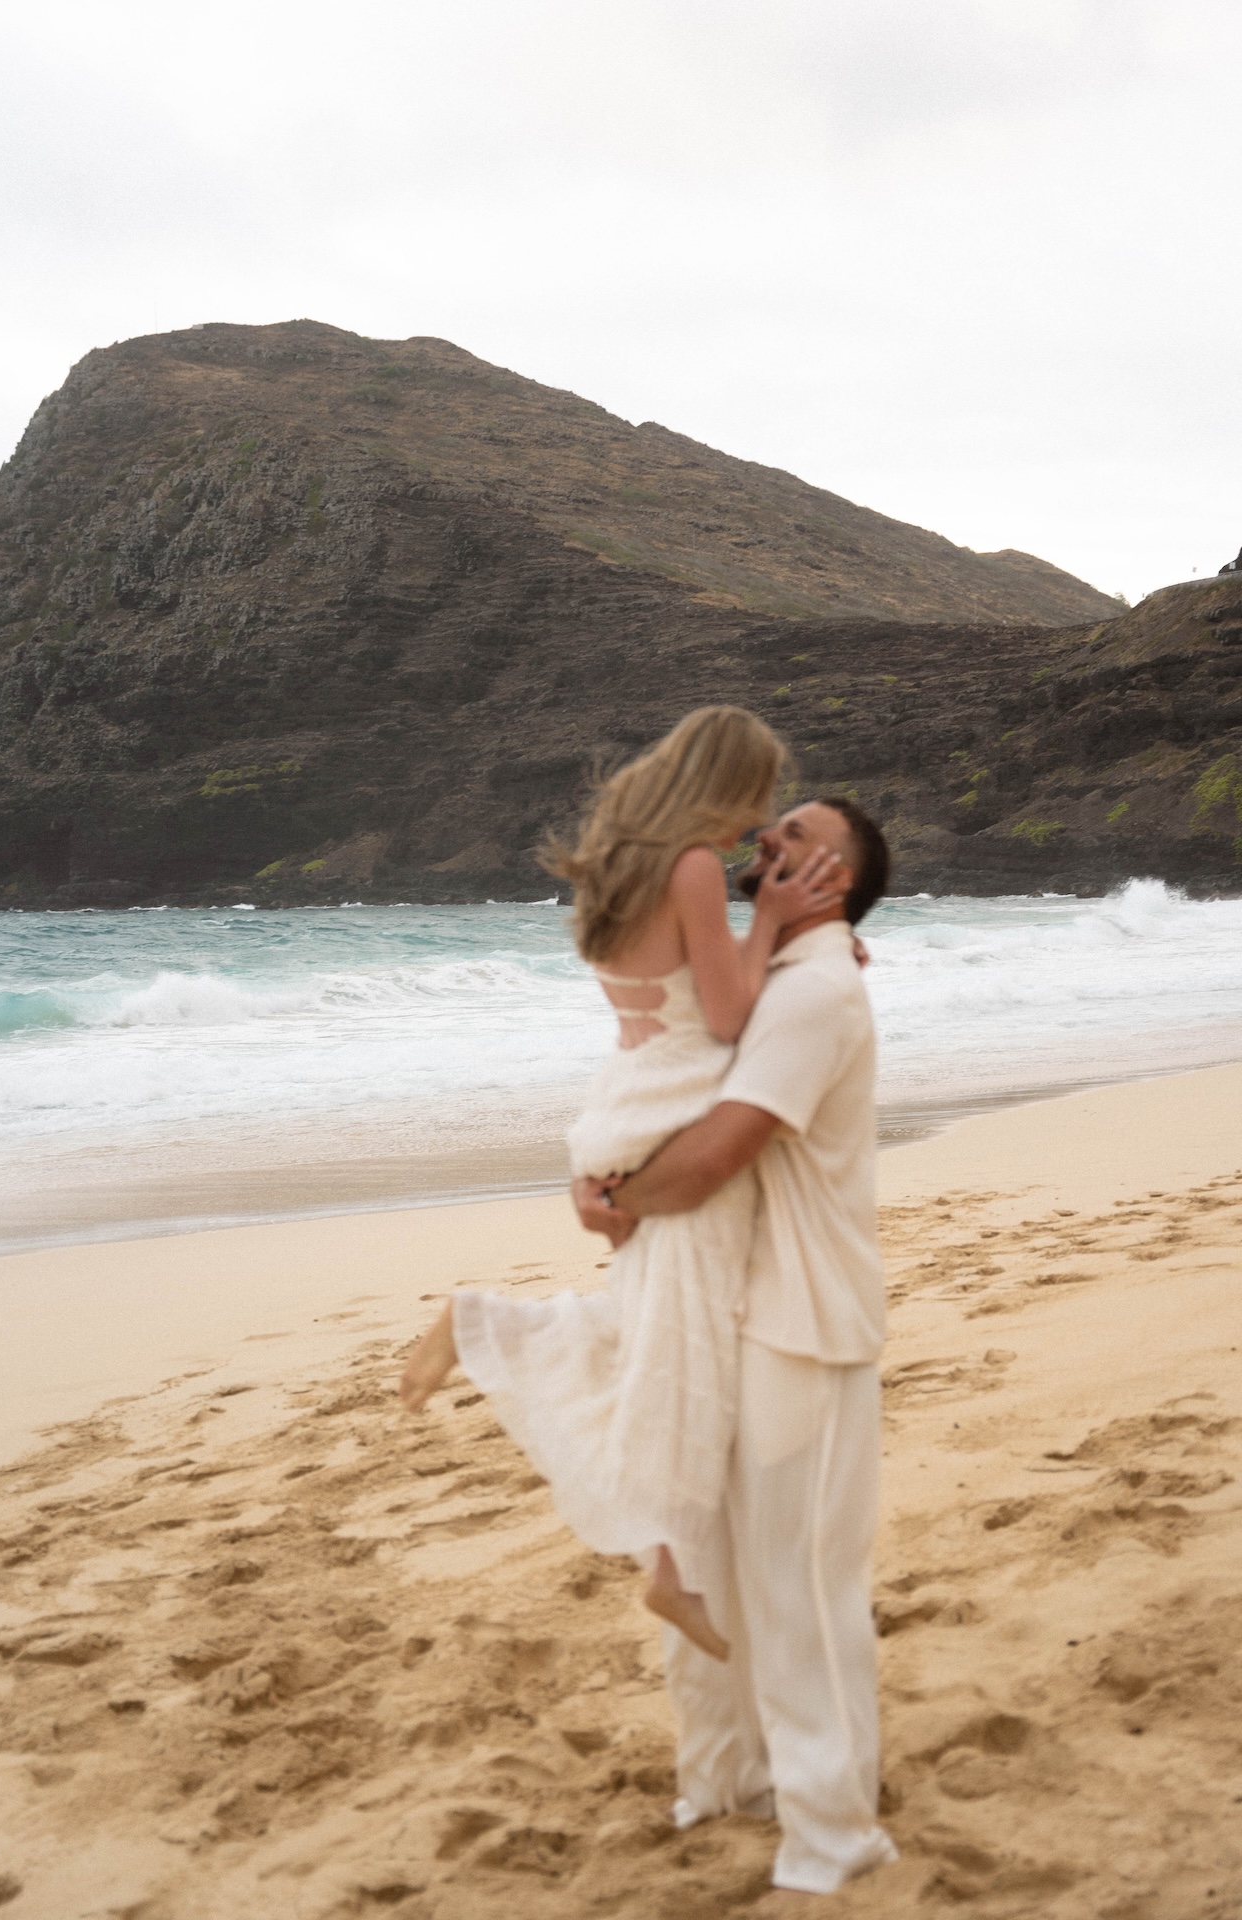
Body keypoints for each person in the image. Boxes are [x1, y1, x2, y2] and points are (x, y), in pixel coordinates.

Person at [399, 707, 847, 1661]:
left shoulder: (618, 861)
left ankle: (665, 1559)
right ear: (719, 784)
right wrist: (774, 922)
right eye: (753, 798)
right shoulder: (687, 866)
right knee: (688, 1336)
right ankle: (669, 1568)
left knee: (664, 1322)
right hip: (677, 1103)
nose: (753, 822)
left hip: (624, 1100)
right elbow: (726, 1018)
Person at [574, 795, 898, 1897]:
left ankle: (832, 1838)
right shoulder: (772, 981)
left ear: (840, 881)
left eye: (802, 838)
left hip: (803, 1322)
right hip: (731, 1308)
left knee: (802, 1590)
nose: (772, 840)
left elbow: (712, 1156)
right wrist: (599, 1179)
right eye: (772, 831)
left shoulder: (814, 993)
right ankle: (732, 1780)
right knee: (718, 1572)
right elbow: (675, 1077)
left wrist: (617, 1199)